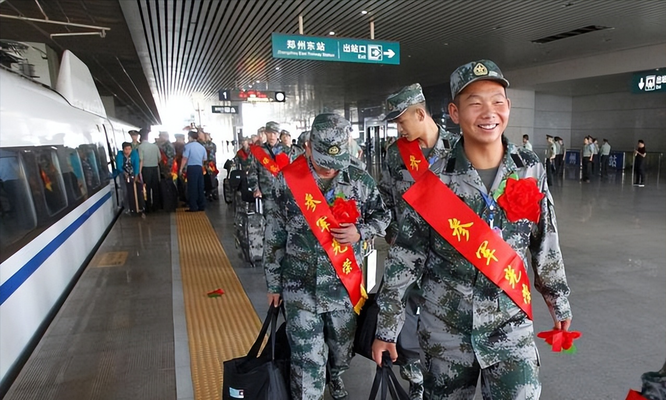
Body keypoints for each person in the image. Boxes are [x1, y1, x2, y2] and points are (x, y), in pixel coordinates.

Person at [372, 59, 572, 400]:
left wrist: (558, 299)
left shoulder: (529, 169)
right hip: (446, 331)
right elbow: (405, 257)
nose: (488, 112)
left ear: (508, 106)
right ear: (454, 112)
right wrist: (387, 327)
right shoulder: (434, 179)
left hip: (510, 327)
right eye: (474, 102)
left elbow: (545, 240)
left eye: (496, 101)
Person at [264, 113, 390, 400]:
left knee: (341, 351)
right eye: (324, 162)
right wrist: (273, 284)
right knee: (307, 361)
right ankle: (313, 387)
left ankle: (334, 376)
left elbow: (383, 216)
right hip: (299, 287)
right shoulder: (286, 181)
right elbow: (275, 235)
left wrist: (361, 231)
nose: (331, 170)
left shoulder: (359, 179)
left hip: (343, 288)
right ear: (308, 147)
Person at [379, 82, 459, 400]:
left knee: (443, 321)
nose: (400, 129)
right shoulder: (396, 155)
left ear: (420, 113)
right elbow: (385, 198)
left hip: (448, 257)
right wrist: (388, 232)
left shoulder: (458, 150)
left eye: (402, 121)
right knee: (405, 314)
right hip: (407, 254)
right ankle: (414, 372)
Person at [247, 121, 303, 217]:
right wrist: (256, 189)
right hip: (267, 194)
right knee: (269, 223)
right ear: (265, 133)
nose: (272, 136)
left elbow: (294, 171)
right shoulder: (259, 151)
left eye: (275, 133)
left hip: (285, 194)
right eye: (269, 133)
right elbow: (253, 172)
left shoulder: (287, 151)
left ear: (278, 134)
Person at [180, 130, 207, 211]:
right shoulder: (201, 147)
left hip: (191, 168)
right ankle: (201, 206)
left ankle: (193, 207)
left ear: (190, 137)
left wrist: (181, 169)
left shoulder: (188, 146)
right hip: (199, 168)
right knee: (200, 187)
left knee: (192, 187)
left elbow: (185, 158)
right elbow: (204, 159)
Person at [138, 128, 162, 212]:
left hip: (145, 169)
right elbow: (159, 158)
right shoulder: (155, 146)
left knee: (146, 188)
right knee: (155, 187)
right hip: (155, 169)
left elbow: (141, 160)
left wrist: (139, 172)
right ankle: (156, 206)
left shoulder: (140, 147)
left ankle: (148, 206)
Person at [115, 142, 142, 213]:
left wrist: (136, 175)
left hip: (132, 173)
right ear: (123, 149)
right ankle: (127, 207)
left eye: (129, 149)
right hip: (122, 174)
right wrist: (124, 173)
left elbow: (136, 165)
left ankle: (135, 206)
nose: (128, 151)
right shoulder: (120, 155)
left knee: (133, 189)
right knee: (125, 191)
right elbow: (119, 166)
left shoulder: (134, 154)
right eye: (126, 149)